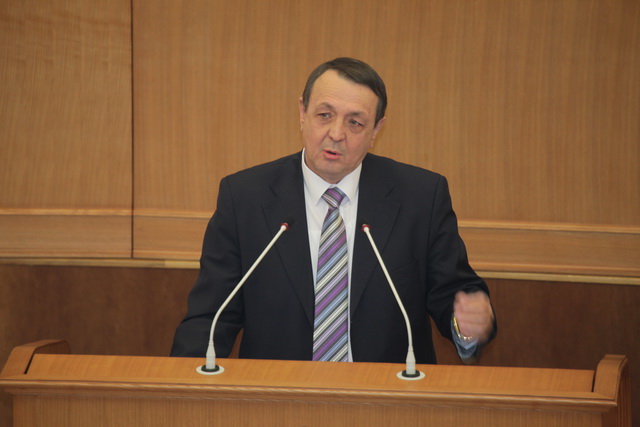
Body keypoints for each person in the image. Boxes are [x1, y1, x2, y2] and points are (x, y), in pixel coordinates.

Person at [171, 57, 496, 364]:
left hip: (389, 394)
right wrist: (181, 384)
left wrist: (468, 323)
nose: (336, 134)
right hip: (278, 392)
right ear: (302, 113)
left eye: (355, 122)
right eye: (325, 115)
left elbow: (453, 293)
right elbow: (211, 316)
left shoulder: (420, 197)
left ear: (376, 130)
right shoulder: (245, 197)